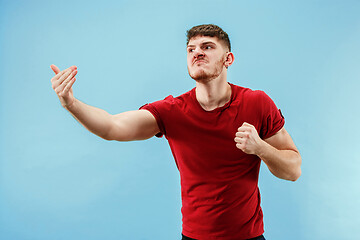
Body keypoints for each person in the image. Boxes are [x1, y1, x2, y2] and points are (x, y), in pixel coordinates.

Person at [50, 24, 301, 240]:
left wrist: (261, 148)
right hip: (193, 237)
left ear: (228, 59)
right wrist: (71, 103)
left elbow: (293, 170)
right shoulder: (172, 111)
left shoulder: (256, 103)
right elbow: (112, 127)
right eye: (191, 49)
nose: (197, 53)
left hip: (249, 237)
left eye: (207, 47)